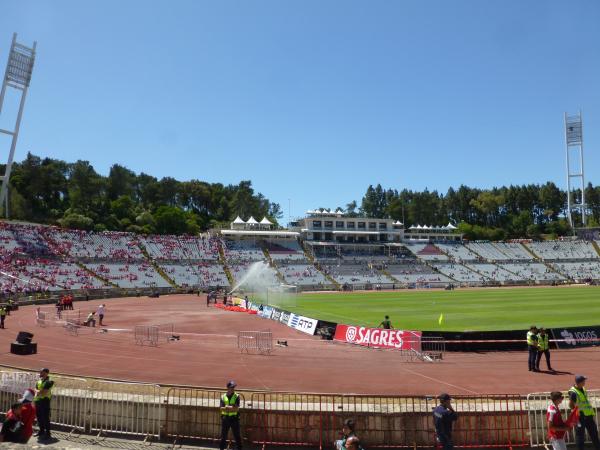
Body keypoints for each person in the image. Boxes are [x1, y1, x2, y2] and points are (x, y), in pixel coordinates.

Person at [569, 375, 600, 450]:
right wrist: (577, 412)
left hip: (588, 415)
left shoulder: (583, 388)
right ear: (579, 382)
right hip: (580, 417)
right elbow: (570, 405)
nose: (584, 382)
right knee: (580, 436)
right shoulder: (573, 392)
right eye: (583, 381)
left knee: (594, 434)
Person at [219, 380, 242, 450]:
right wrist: (231, 407)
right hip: (225, 419)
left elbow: (237, 409)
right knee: (223, 436)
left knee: (237, 436)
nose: (233, 389)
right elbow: (221, 408)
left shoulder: (236, 396)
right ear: (228, 388)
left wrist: (227, 407)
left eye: (233, 387)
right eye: (231, 387)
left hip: (234, 419)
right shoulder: (223, 396)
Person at [34, 368, 54, 440]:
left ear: (46, 373)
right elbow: (35, 389)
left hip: (45, 402)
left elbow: (44, 392)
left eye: (41, 372)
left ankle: (48, 433)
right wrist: (38, 391)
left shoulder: (49, 381)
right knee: (39, 418)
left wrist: (38, 391)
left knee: (45, 418)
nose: (40, 373)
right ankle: (41, 431)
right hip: (38, 402)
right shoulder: (39, 381)